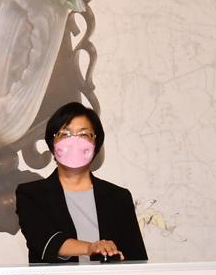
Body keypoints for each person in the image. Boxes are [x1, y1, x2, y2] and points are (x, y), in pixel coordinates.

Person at [15, 102, 147, 264]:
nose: (74, 141)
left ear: (95, 143)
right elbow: (45, 241)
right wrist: (91, 248)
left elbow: (136, 259)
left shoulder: (119, 197)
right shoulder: (31, 194)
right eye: (65, 134)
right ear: (52, 143)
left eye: (84, 134)